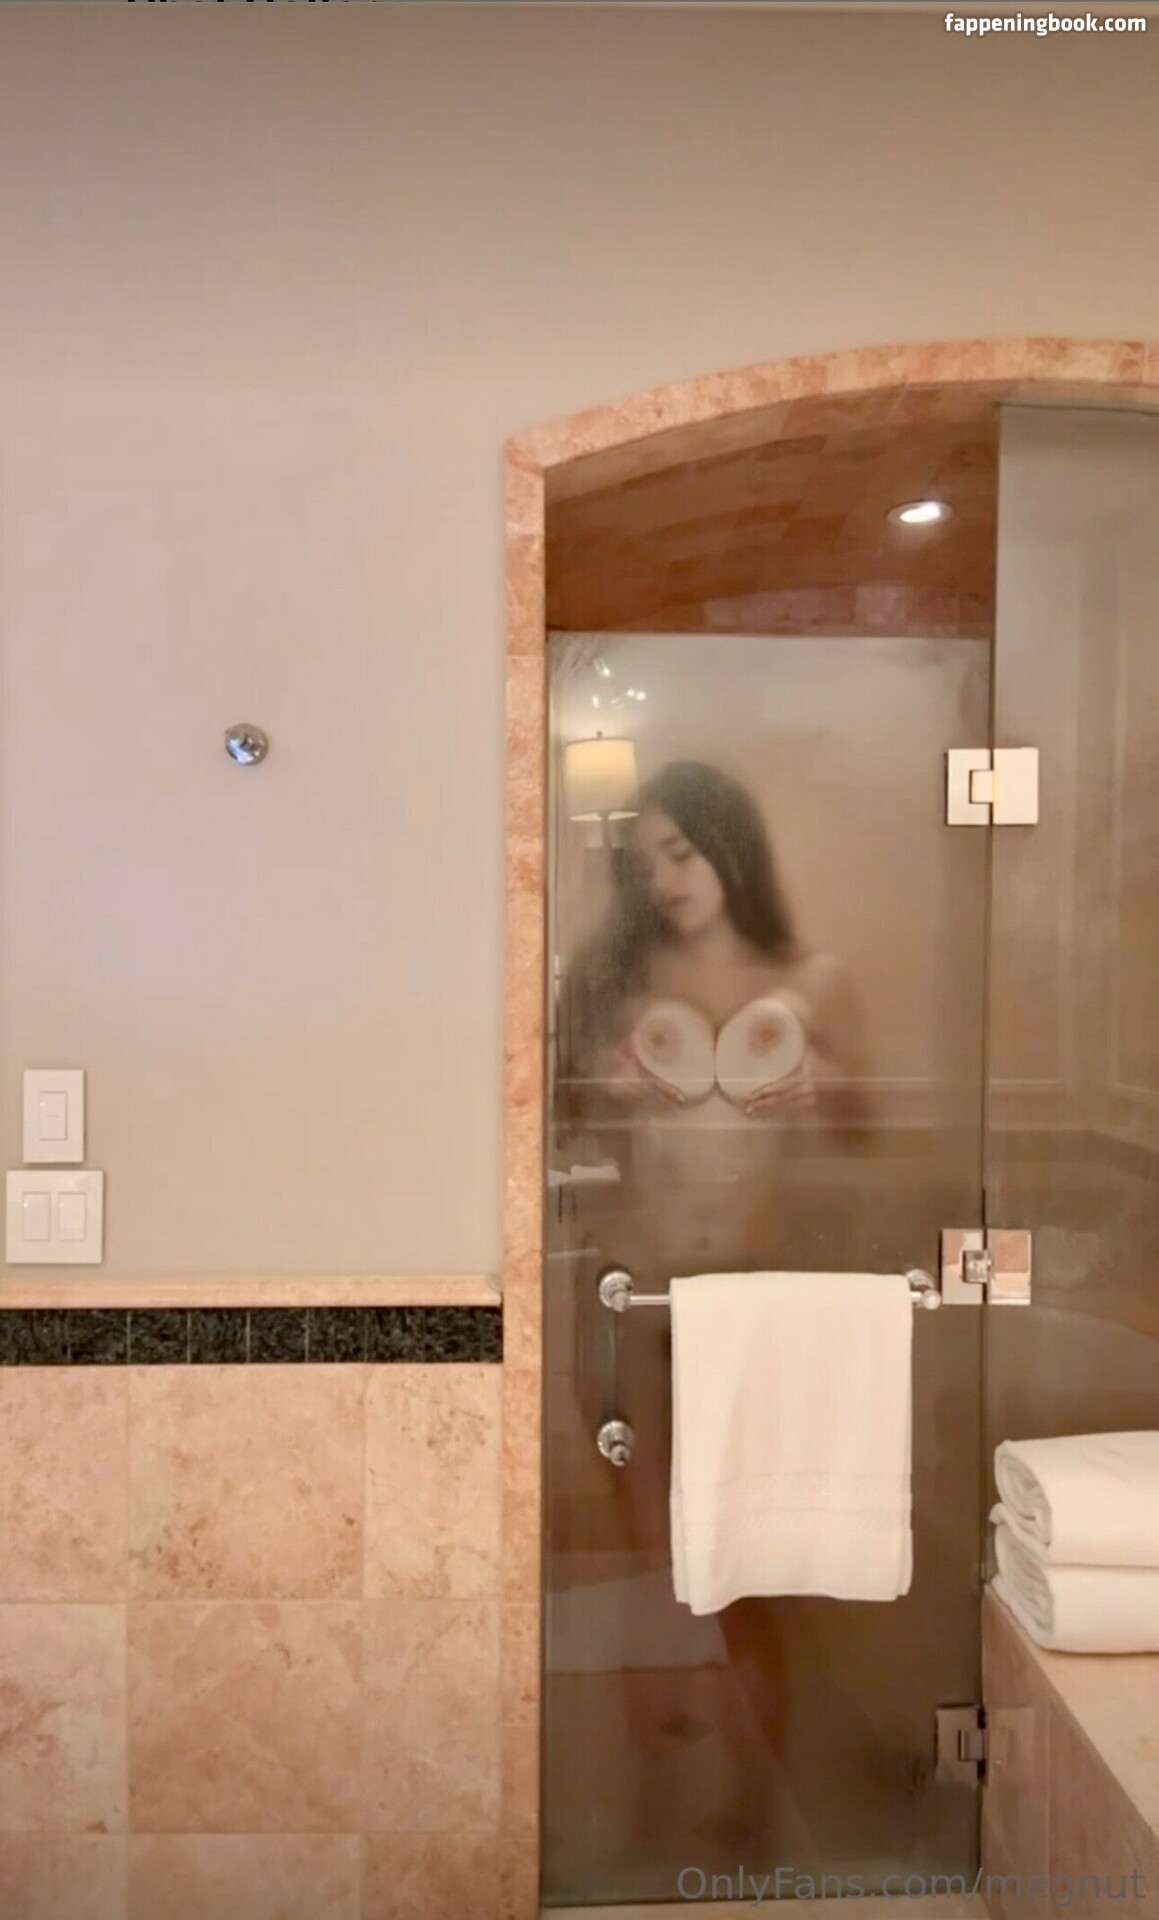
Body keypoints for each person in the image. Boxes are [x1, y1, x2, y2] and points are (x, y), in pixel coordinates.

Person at [557, 758, 869, 1274]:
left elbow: (865, 1137)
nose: (662, 882)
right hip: (636, 1274)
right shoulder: (615, 977)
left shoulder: (816, 981)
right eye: (644, 867)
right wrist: (604, 1086)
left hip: (770, 1267)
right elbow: (555, 1124)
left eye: (680, 854)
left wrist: (825, 1081)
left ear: (732, 847)